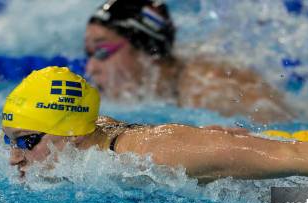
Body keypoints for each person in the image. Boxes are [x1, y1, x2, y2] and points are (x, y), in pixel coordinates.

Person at [1, 67, 308, 184]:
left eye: (26, 142)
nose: (14, 157)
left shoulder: (152, 155)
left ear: (69, 135)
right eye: (8, 141)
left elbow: (286, 157)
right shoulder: (89, 136)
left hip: (289, 191)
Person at [85, 0, 296, 123]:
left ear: (148, 51)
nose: (90, 68)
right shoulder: (155, 93)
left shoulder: (211, 87)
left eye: (102, 52)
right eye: (89, 54)